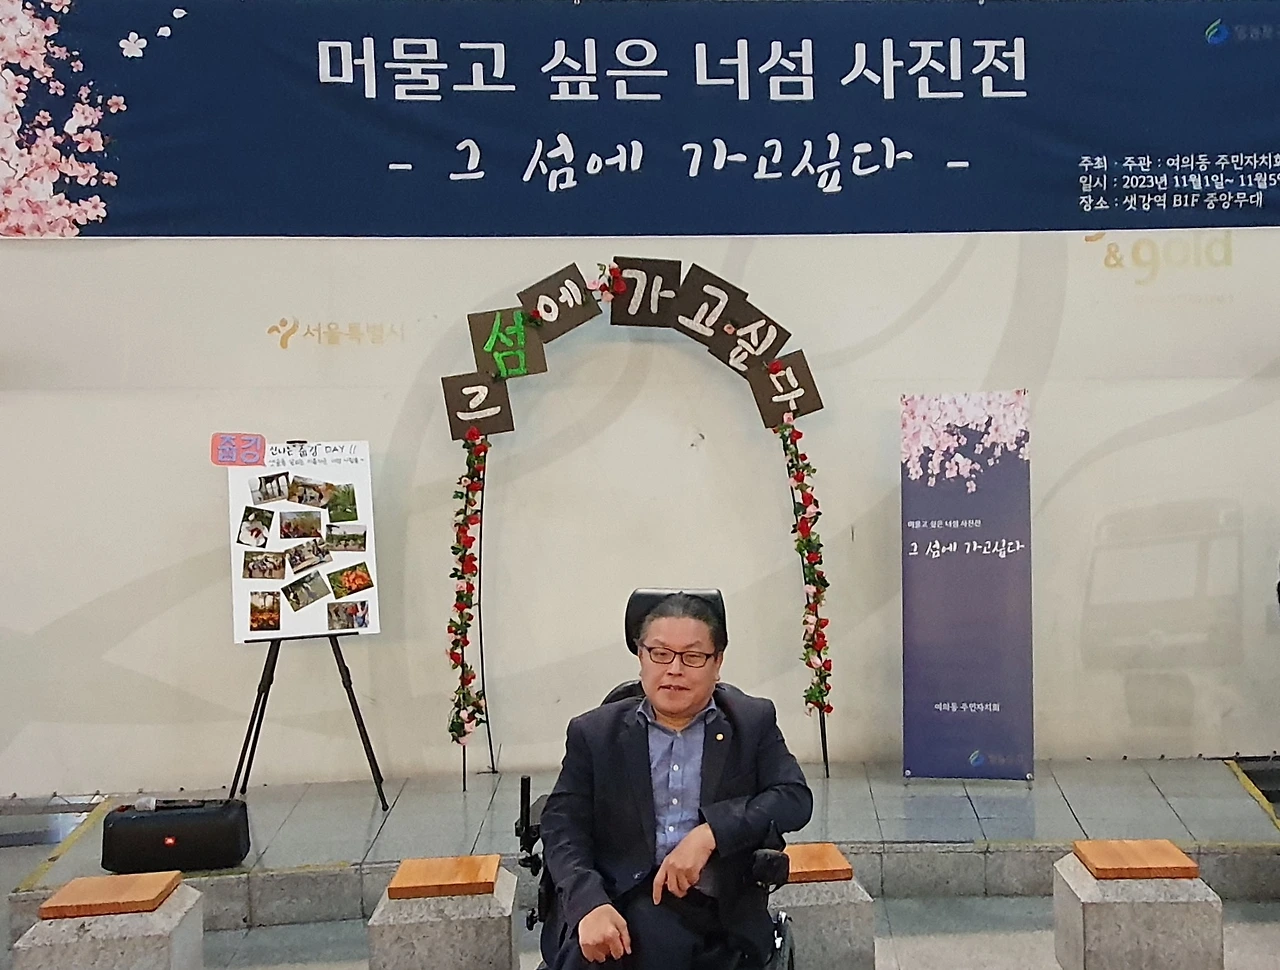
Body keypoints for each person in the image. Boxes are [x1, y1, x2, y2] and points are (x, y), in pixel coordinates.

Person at [540, 592, 813, 970]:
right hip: (614, 897)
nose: (674, 669)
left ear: (717, 663)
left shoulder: (751, 722)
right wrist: (588, 903)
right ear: (641, 657)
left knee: (648, 942)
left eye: (693, 656)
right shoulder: (595, 733)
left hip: (714, 910)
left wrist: (711, 833)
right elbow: (561, 825)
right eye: (660, 653)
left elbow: (793, 798)